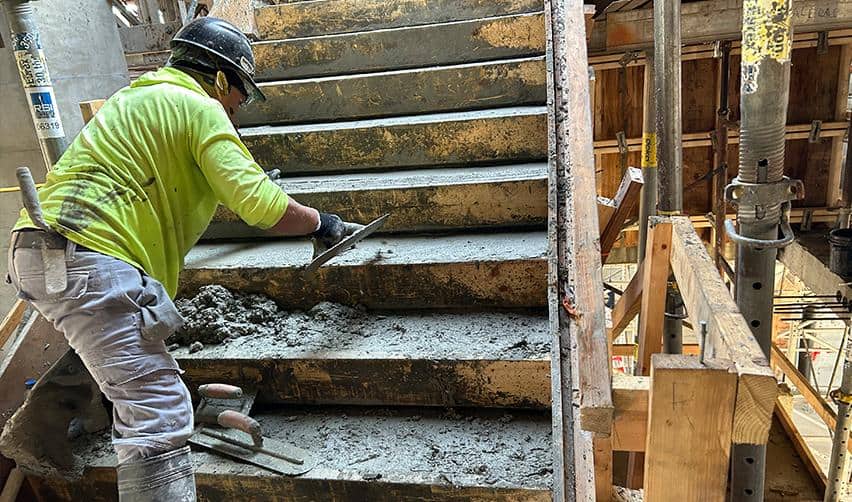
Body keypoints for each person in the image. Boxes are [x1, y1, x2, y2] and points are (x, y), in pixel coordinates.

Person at [6, 17, 360, 501]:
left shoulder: (133, 99)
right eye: (242, 95)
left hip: (39, 247)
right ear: (220, 78)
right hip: (92, 256)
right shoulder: (201, 107)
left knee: (106, 343)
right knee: (158, 407)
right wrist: (322, 223)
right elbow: (260, 205)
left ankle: (39, 431)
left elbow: (149, 180)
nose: (239, 108)